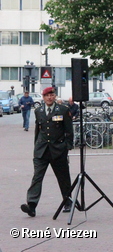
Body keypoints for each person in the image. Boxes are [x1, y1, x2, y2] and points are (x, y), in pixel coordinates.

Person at [21, 87, 74, 217]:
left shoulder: (63, 110)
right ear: (43, 98)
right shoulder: (38, 111)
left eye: (51, 95)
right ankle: (31, 205)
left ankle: (67, 202)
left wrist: (67, 146)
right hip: (42, 150)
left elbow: (69, 130)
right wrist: (36, 147)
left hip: (58, 150)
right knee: (37, 178)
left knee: (63, 178)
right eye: (47, 95)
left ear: (55, 96)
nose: (49, 97)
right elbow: (38, 130)